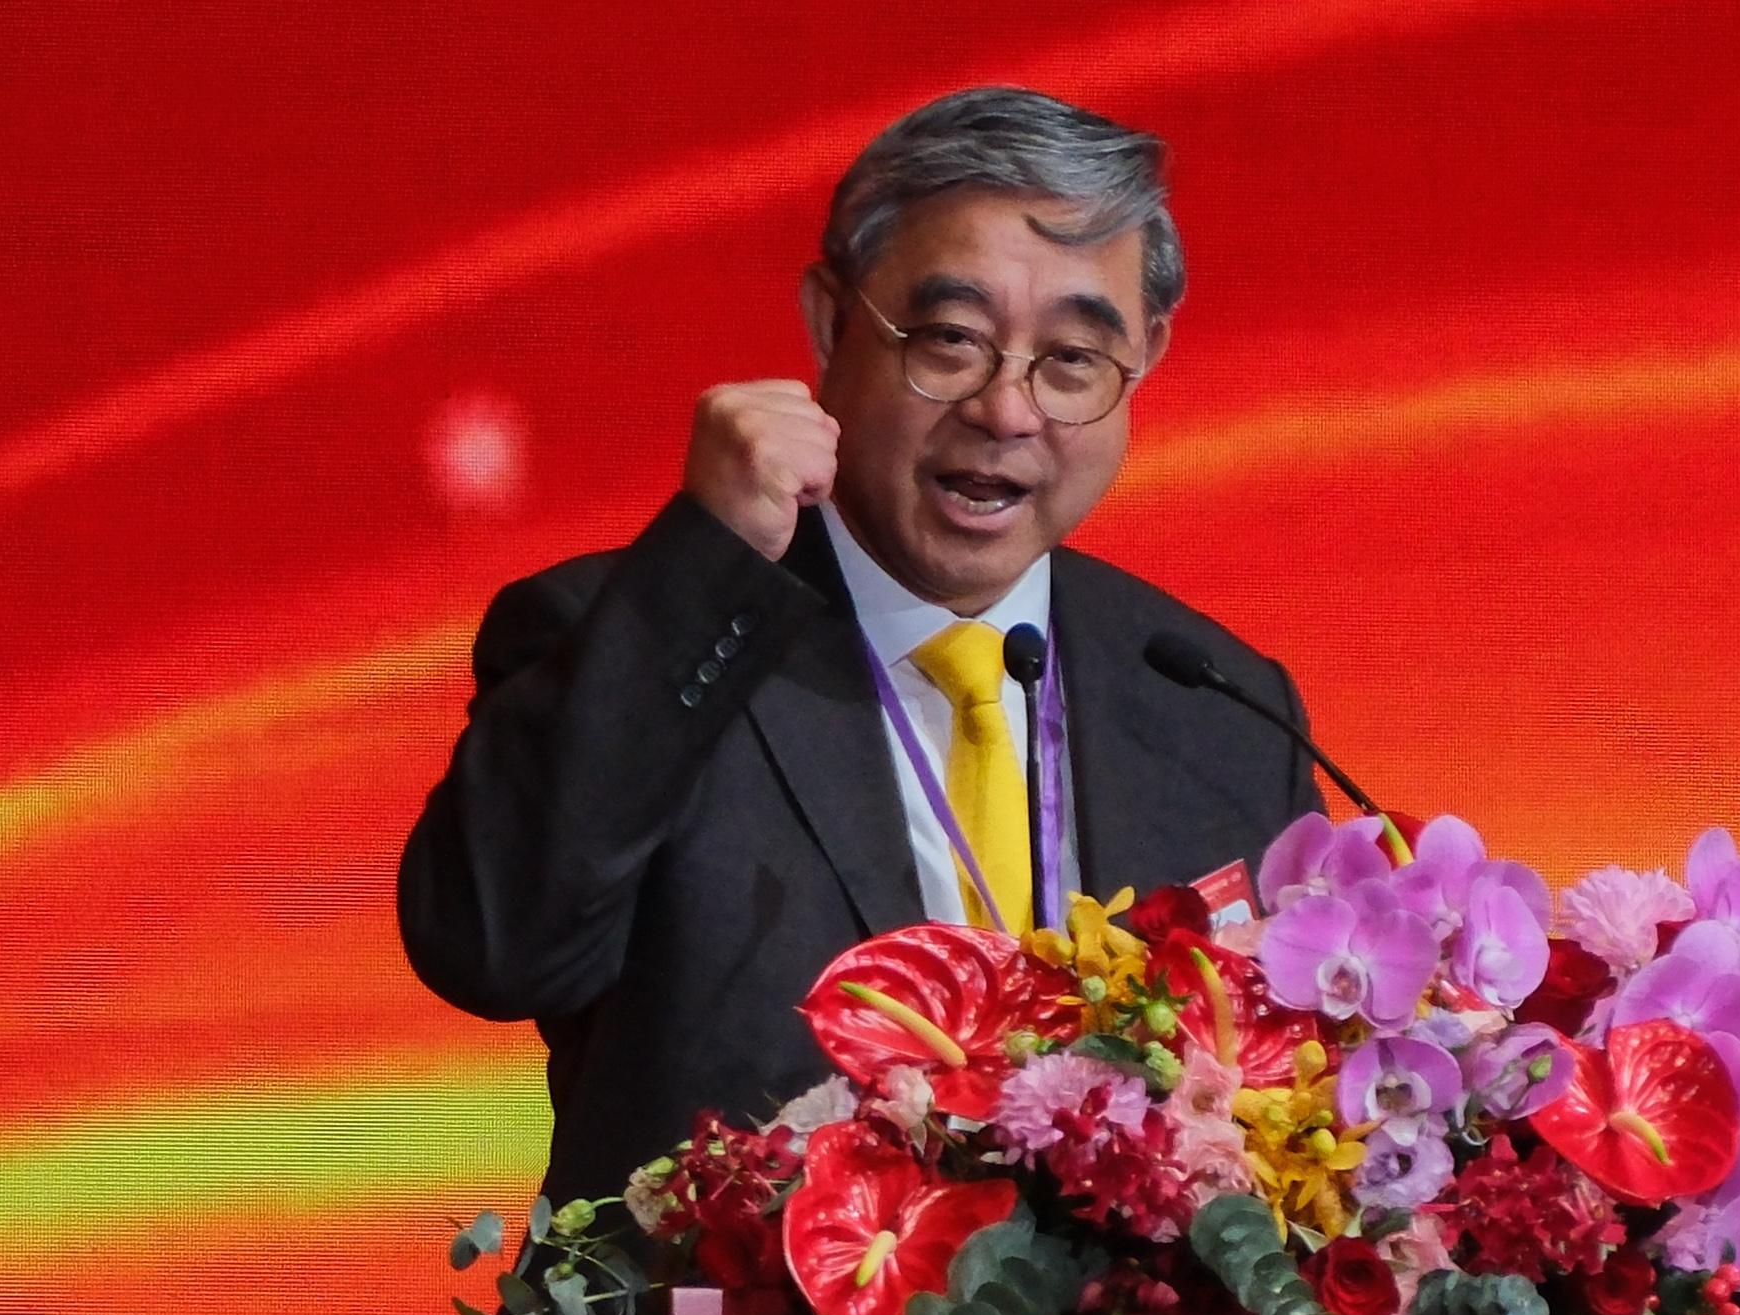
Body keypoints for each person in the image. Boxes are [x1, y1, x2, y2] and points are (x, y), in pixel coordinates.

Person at [397, 86, 1322, 1215]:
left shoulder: (1215, 707)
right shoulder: (640, 631)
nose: (1007, 411)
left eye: (1073, 359)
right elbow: (494, 949)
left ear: (1145, 359)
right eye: (951, 342)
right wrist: (705, 566)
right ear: (832, 322)